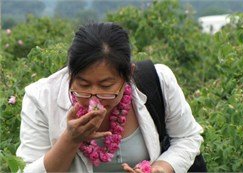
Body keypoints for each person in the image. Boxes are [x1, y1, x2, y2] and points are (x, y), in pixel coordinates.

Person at [16, 22, 204, 173]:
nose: (93, 97)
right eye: (83, 85)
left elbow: (187, 137)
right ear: (70, 74)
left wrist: (162, 168)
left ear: (129, 74)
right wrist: (71, 140)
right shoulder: (40, 97)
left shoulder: (159, 80)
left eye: (106, 86)